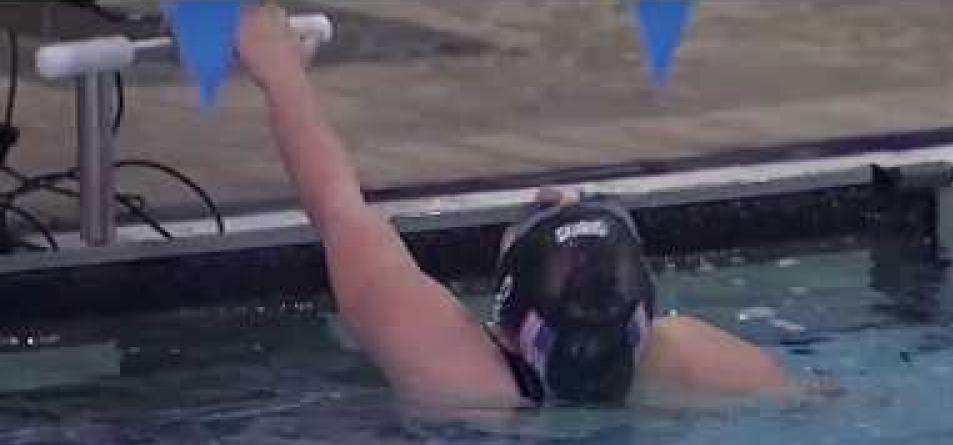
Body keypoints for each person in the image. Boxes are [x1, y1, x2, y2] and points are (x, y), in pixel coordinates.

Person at [235, 5, 830, 407]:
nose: (555, 193)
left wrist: (280, 70)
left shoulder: (445, 365)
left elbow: (338, 207)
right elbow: (825, 407)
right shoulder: (702, 365)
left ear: (505, 320)